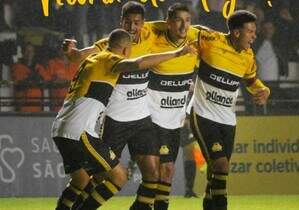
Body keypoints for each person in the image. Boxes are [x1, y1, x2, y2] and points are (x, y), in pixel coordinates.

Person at [52, 28, 195, 210]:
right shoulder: (109, 59)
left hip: (60, 128)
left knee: (80, 180)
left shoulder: (92, 59)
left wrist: (71, 50)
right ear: (126, 50)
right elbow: (138, 63)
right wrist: (178, 52)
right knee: (119, 176)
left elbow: (76, 56)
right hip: (78, 131)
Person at [189, 10, 270, 210]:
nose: (254, 36)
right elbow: (180, 29)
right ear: (236, 32)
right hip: (203, 114)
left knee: (217, 173)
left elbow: (251, 81)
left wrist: (263, 89)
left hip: (227, 120)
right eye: (250, 31)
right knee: (221, 165)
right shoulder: (210, 39)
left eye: (254, 31)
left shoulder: (247, 56)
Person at [146, 4, 199, 210]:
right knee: (157, 170)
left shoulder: (195, 45)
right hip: (152, 119)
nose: (184, 25)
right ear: (168, 22)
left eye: (187, 20)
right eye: (178, 20)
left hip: (176, 120)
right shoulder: (154, 42)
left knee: (168, 169)